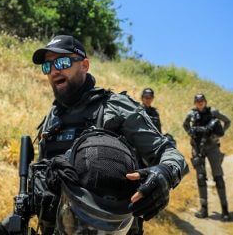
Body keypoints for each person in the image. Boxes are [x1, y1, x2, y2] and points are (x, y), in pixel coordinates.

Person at [33, 35, 188, 234]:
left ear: (85, 65)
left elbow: (170, 153)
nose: (54, 71)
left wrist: (164, 174)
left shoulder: (114, 107)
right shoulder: (51, 119)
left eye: (62, 62)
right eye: (47, 66)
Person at [183, 94, 231, 221]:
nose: (200, 103)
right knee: (200, 178)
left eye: (202, 101)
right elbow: (185, 125)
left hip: (212, 148)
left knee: (218, 177)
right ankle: (204, 209)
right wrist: (190, 133)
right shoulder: (191, 114)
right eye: (197, 101)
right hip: (197, 149)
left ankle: (225, 210)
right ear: (195, 102)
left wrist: (217, 136)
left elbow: (227, 121)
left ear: (205, 101)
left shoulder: (213, 112)